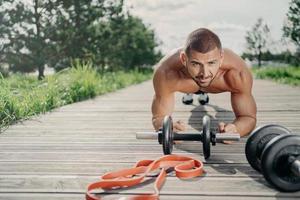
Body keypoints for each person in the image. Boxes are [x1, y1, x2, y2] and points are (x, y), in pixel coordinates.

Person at [151, 28, 257, 137]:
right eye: (196, 64)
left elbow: (248, 117)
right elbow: (158, 117)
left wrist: (235, 129)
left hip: (204, 80)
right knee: (195, 106)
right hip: (186, 81)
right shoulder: (166, 72)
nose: (205, 73)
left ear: (221, 58)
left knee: (200, 79)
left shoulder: (237, 73)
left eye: (211, 63)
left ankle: (199, 88)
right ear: (183, 59)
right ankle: (191, 91)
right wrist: (167, 127)